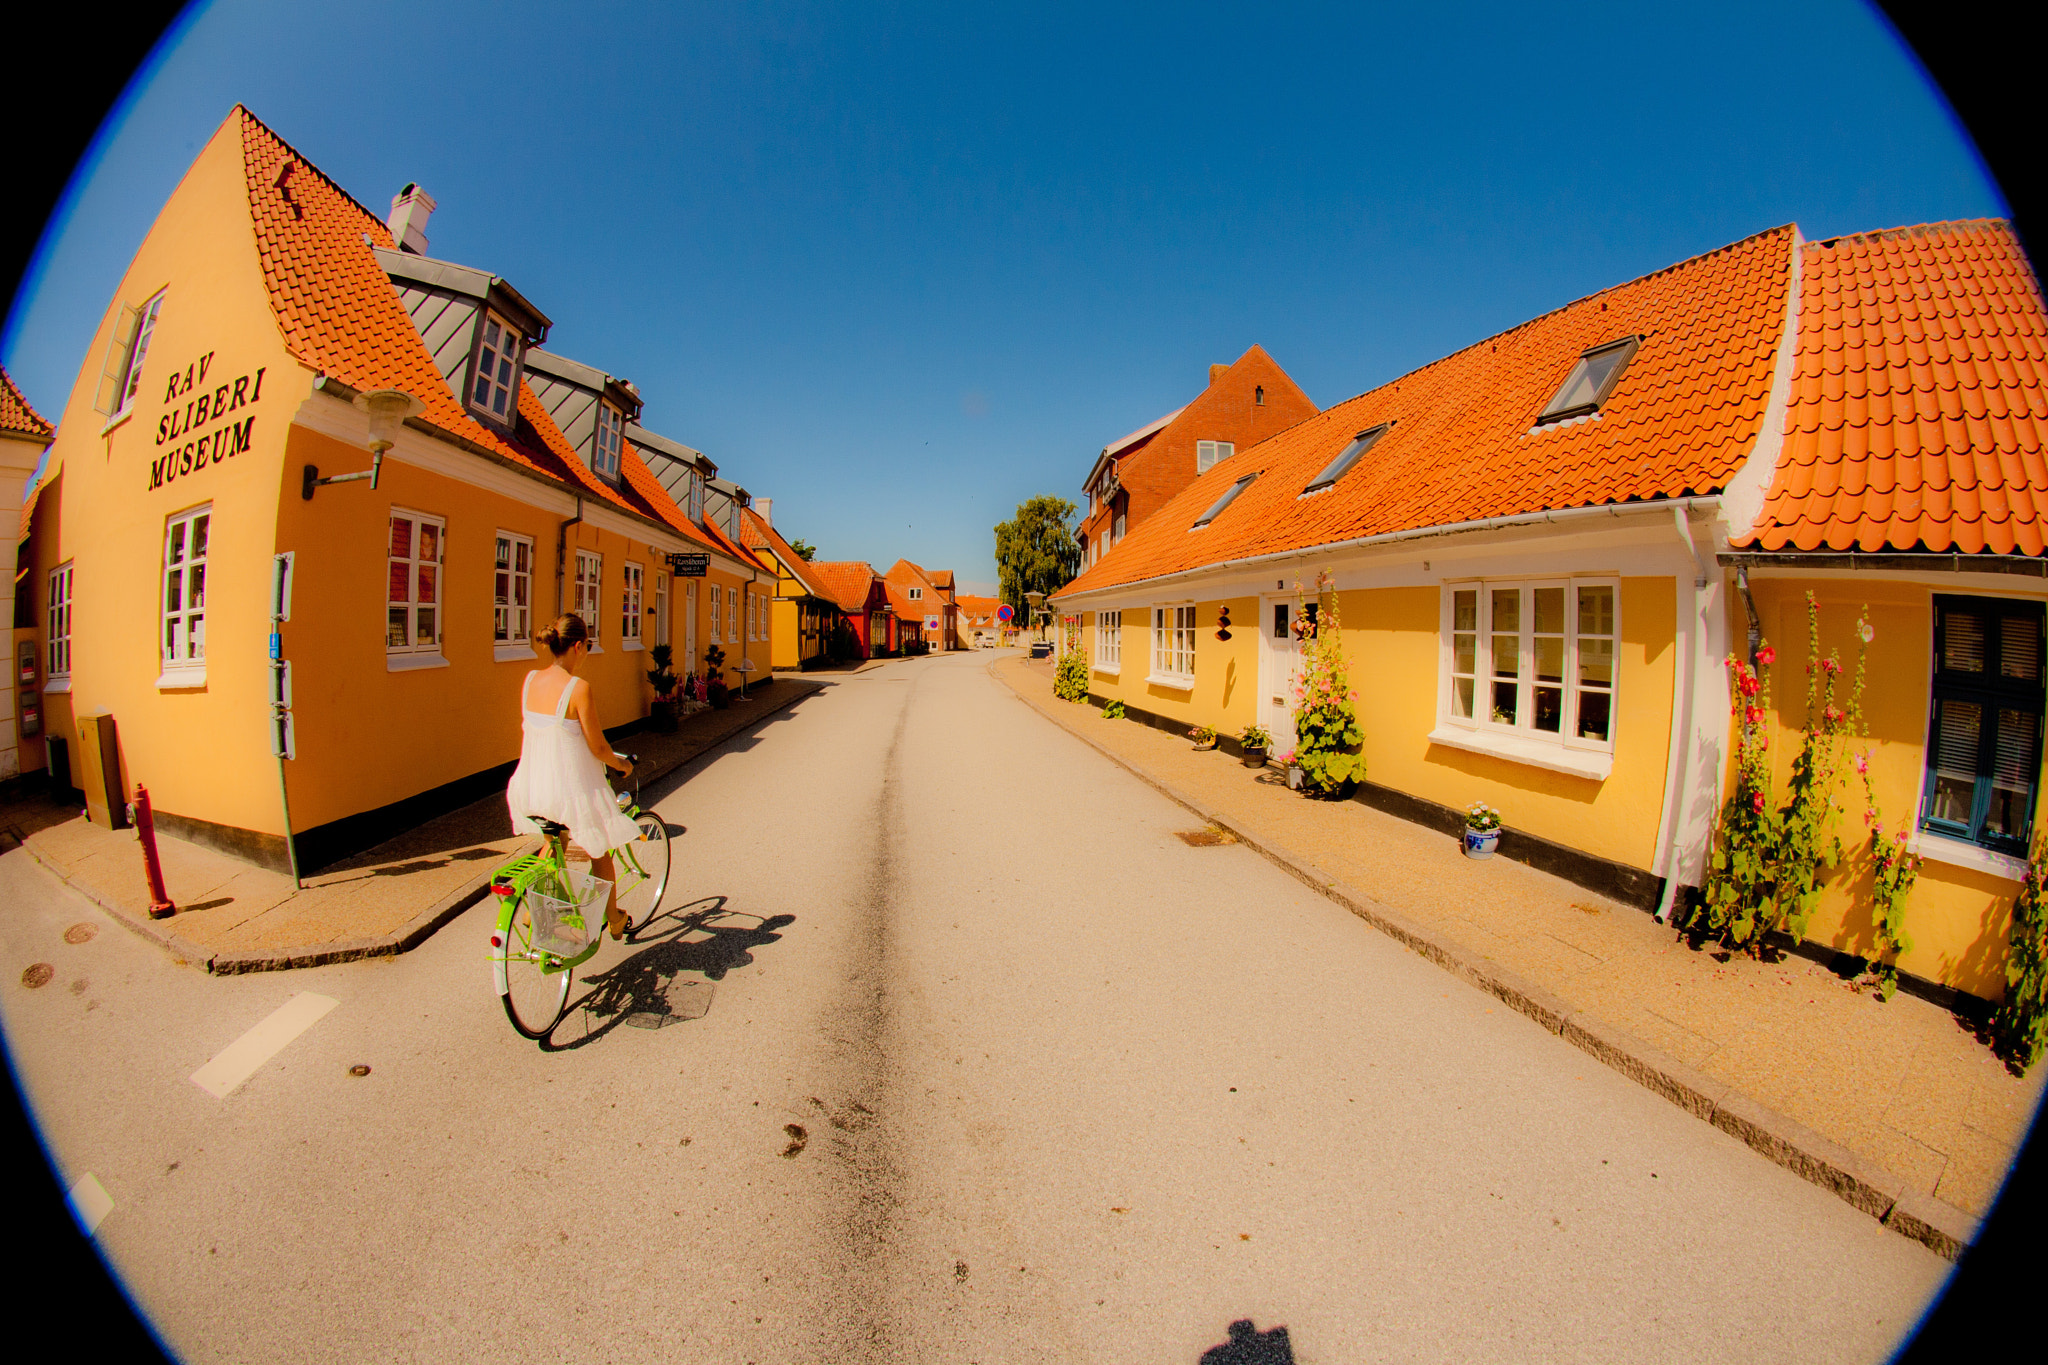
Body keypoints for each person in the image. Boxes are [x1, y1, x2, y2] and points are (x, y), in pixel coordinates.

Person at [506, 613, 640, 938]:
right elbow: (598, 747)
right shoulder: (578, 688)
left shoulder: (530, 680)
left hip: (531, 786)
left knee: (555, 842)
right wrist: (621, 765)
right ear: (578, 646)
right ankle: (615, 919)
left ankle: (532, 908)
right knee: (600, 846)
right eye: (588, 647)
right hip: (567, 791)